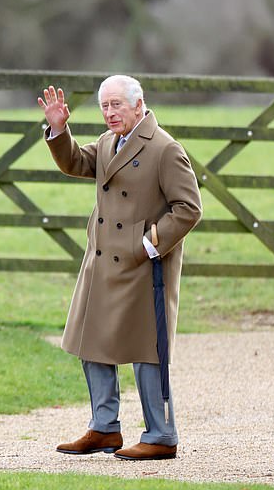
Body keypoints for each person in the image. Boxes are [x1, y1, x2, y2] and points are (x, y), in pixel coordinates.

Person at [37, 75, 202, 461]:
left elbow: (189, 208)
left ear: (138, 104)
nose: (110, 113)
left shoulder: (165, 149)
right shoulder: (110, 142)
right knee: (91, 341)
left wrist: (147, 245)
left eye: (117, 105)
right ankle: (104, 428)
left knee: (147, 351)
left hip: (144, 266)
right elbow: (76, 162)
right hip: (101, 261)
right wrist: (59, 131)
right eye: (105, 106)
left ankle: (161, 435)